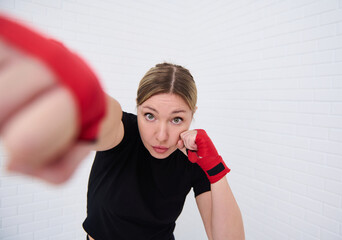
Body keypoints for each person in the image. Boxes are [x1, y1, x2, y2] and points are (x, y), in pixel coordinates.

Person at [0, 15, 245, 240]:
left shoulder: (194, 158)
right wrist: (82, 92)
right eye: (149, 116)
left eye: (176, 119)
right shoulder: (122, 132)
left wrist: (215, 169)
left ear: (193, 115)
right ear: (137, 108)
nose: (161, 135)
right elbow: (105, 115)